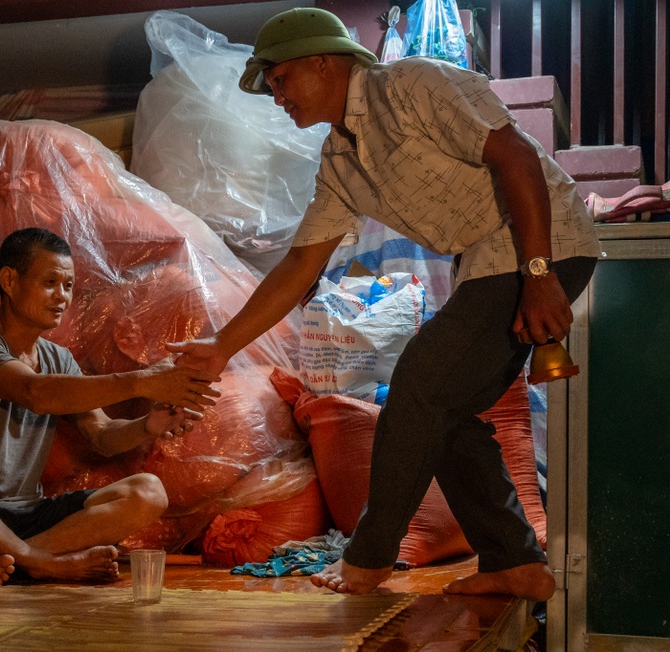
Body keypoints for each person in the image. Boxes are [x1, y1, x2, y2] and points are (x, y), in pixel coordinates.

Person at [168, 8, 599, 601]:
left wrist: (539, 273)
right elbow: (300, 265)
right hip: (488, 264)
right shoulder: (339, 159)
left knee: (419, 382)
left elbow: (518, 157)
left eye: (282, 80)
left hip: (540, 246)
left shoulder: (413, 84)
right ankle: (514, 560)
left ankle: (369, 558)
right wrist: (221, 346)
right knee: (442, 412)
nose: (278, 98)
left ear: (325, 61)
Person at [0, 227, 220, 586]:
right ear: (9, 281)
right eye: (50, 282)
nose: (62, 296)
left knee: (149, 492)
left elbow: (102, 435)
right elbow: (34, 392)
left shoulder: (59, 358)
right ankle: (41, 563)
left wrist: (148, 425)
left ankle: (5, 563)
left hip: (26, 516)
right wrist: (142, 381)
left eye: (68, 286)